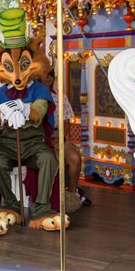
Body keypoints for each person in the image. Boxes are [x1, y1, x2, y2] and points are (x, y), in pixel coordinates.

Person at [42, 69, 91, 206]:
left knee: (75, 158)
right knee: (55, 160)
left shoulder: (59, 96)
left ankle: (72, 192)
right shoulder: (35, 97)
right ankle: (53, 195)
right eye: (45, 76)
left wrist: (61, 139)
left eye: (50, 76)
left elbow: (66, 121)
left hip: (58, 134)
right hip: (43, 137)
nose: (48, 79)